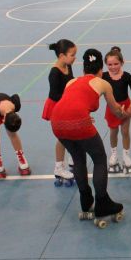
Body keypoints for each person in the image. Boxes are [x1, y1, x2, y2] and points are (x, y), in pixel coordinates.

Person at [50, 49, 129, 228]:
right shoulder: (103, 83)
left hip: (57, 123)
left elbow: (70, 103)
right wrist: (123, 112)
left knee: (78, 159)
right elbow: (115, 110)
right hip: (79, 123)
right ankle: (102, 202)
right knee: (100, 158)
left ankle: (86, 201)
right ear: (101, 69)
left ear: (83, 69)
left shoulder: (71, 81)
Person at [43, 39, 76, 186]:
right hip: (57, 106)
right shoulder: (54, 73)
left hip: (67, 103)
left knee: (70, 133)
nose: (74, 58)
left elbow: (71, 82)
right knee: (62, 137)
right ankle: (58, 167)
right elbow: (56, 95)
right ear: (62, 55)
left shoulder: (68, 66)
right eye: (72, 55)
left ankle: (70, 158)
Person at [103, 47, 131, 174]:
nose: (113, 67)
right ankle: (113, 154)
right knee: (113, 132)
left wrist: (130, 108)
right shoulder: (104, 76)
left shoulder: (127, 76)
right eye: (110, 64)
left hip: (125, 107)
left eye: (116, 64)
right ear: (106, 65)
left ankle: (126, 155)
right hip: (112, 107)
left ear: (122, 63)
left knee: (125, 131)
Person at [0, 92, 28, 179]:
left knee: (12, 134)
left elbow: (15, 95)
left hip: (6, 108)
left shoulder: (16, 106)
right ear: (3, 120)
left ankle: (21, 156)